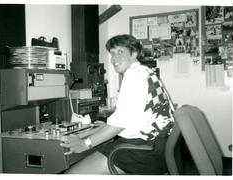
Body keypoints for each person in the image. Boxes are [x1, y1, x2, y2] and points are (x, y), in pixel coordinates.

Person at [60, 34, 175, 175]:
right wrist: (101, 129)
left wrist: (84, 144)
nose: (114, 59)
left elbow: (120, 124)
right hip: (159, 148)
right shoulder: (146, 72)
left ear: (134, 53)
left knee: (70, 175)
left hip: (142, 152)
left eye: (120, 52)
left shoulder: (133, 75)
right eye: (112, 53)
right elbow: (132, 116)